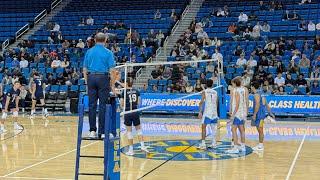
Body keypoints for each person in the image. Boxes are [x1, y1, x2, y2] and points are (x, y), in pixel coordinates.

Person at [83, 32, 116, 138]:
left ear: (95, 40)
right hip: (103, 78)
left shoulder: (89, 51)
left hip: (91, 77)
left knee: (91, 106)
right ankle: (102, 132)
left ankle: (92, 131)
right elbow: (112, 71)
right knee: (102, 106)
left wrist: (87, 83)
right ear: (105, 40)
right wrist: (112, 85)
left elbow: (84, 69)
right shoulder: (108, 52)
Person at [121, 78, 148, 155]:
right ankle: (142, 146)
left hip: (128, 112)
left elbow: (122, 104)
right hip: (135, 111)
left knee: (129, 132)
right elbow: (139, 102)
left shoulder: (124, 92)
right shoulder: (136, 91)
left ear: (126, 83)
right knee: (139, 130)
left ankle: (131, 150)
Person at [227, 77, 248, 154]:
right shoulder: (244, 89)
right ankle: (243, 147)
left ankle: (235, 147)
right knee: (242, 130)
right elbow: (246, 101)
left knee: (233, 130)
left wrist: (233, 114)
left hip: (237, 113)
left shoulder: (236, 91)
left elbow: (237, 104)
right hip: (243, 112)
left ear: (235, 83)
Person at [251, 82, 274, 151]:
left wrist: (254, 114)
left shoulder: (256, 94)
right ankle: (260, 145)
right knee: (260, 130)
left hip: (259, 115)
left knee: (260, 130)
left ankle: (261, 146)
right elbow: (266, 105)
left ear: (252, 87)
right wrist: (270, 113)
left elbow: (257, 105)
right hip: (262, 115)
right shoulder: (262, 94)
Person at [197, 79, 219, 150]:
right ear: (212, 85)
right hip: (214, 112)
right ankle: (214, 143)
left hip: (207, 112)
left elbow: (201, 102)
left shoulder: (204, 92)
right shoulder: (215, 92)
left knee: (203, 127)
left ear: (206, 84)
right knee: (214, 128)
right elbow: (216, 103)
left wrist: (200, 112)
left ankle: (203, 144)